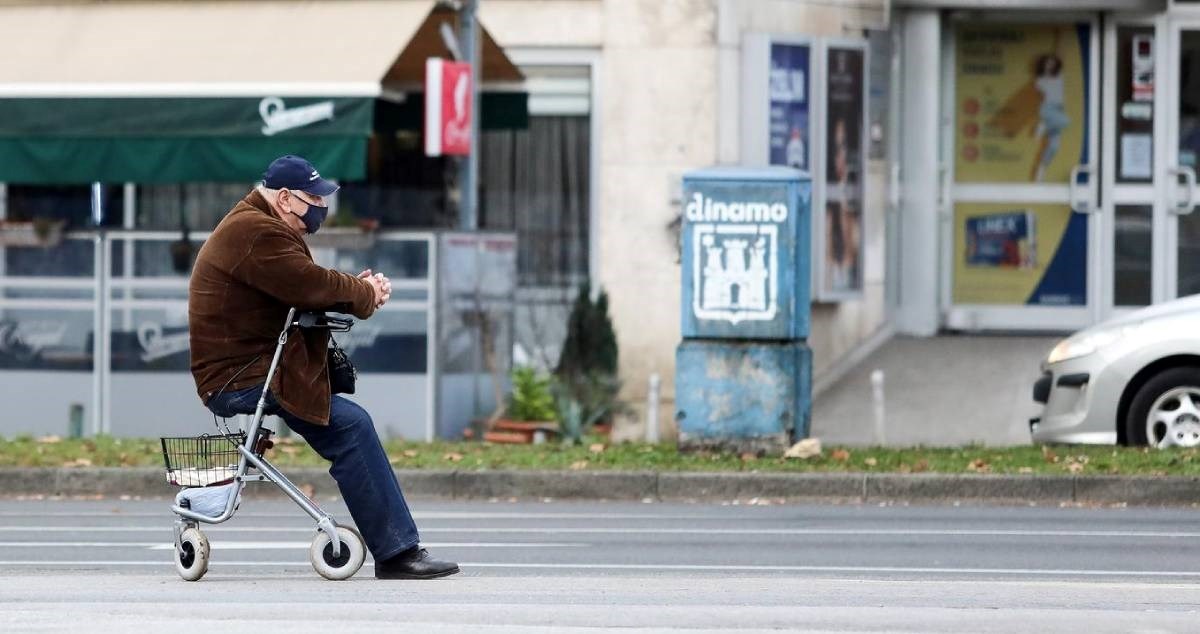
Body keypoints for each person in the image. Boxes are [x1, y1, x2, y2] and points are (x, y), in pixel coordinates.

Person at [187, 155, 459, 580]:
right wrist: (363, 291)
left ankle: (396, 548)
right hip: (239, 378)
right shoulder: (256, 232)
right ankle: (397, 553)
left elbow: (305, 282)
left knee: (348, 424)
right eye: (313, 198)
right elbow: (309, 284)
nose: (320, 208)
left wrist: (357, 290)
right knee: (351, 426)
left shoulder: (261, 225)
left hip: (254, 368)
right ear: (284, 198)